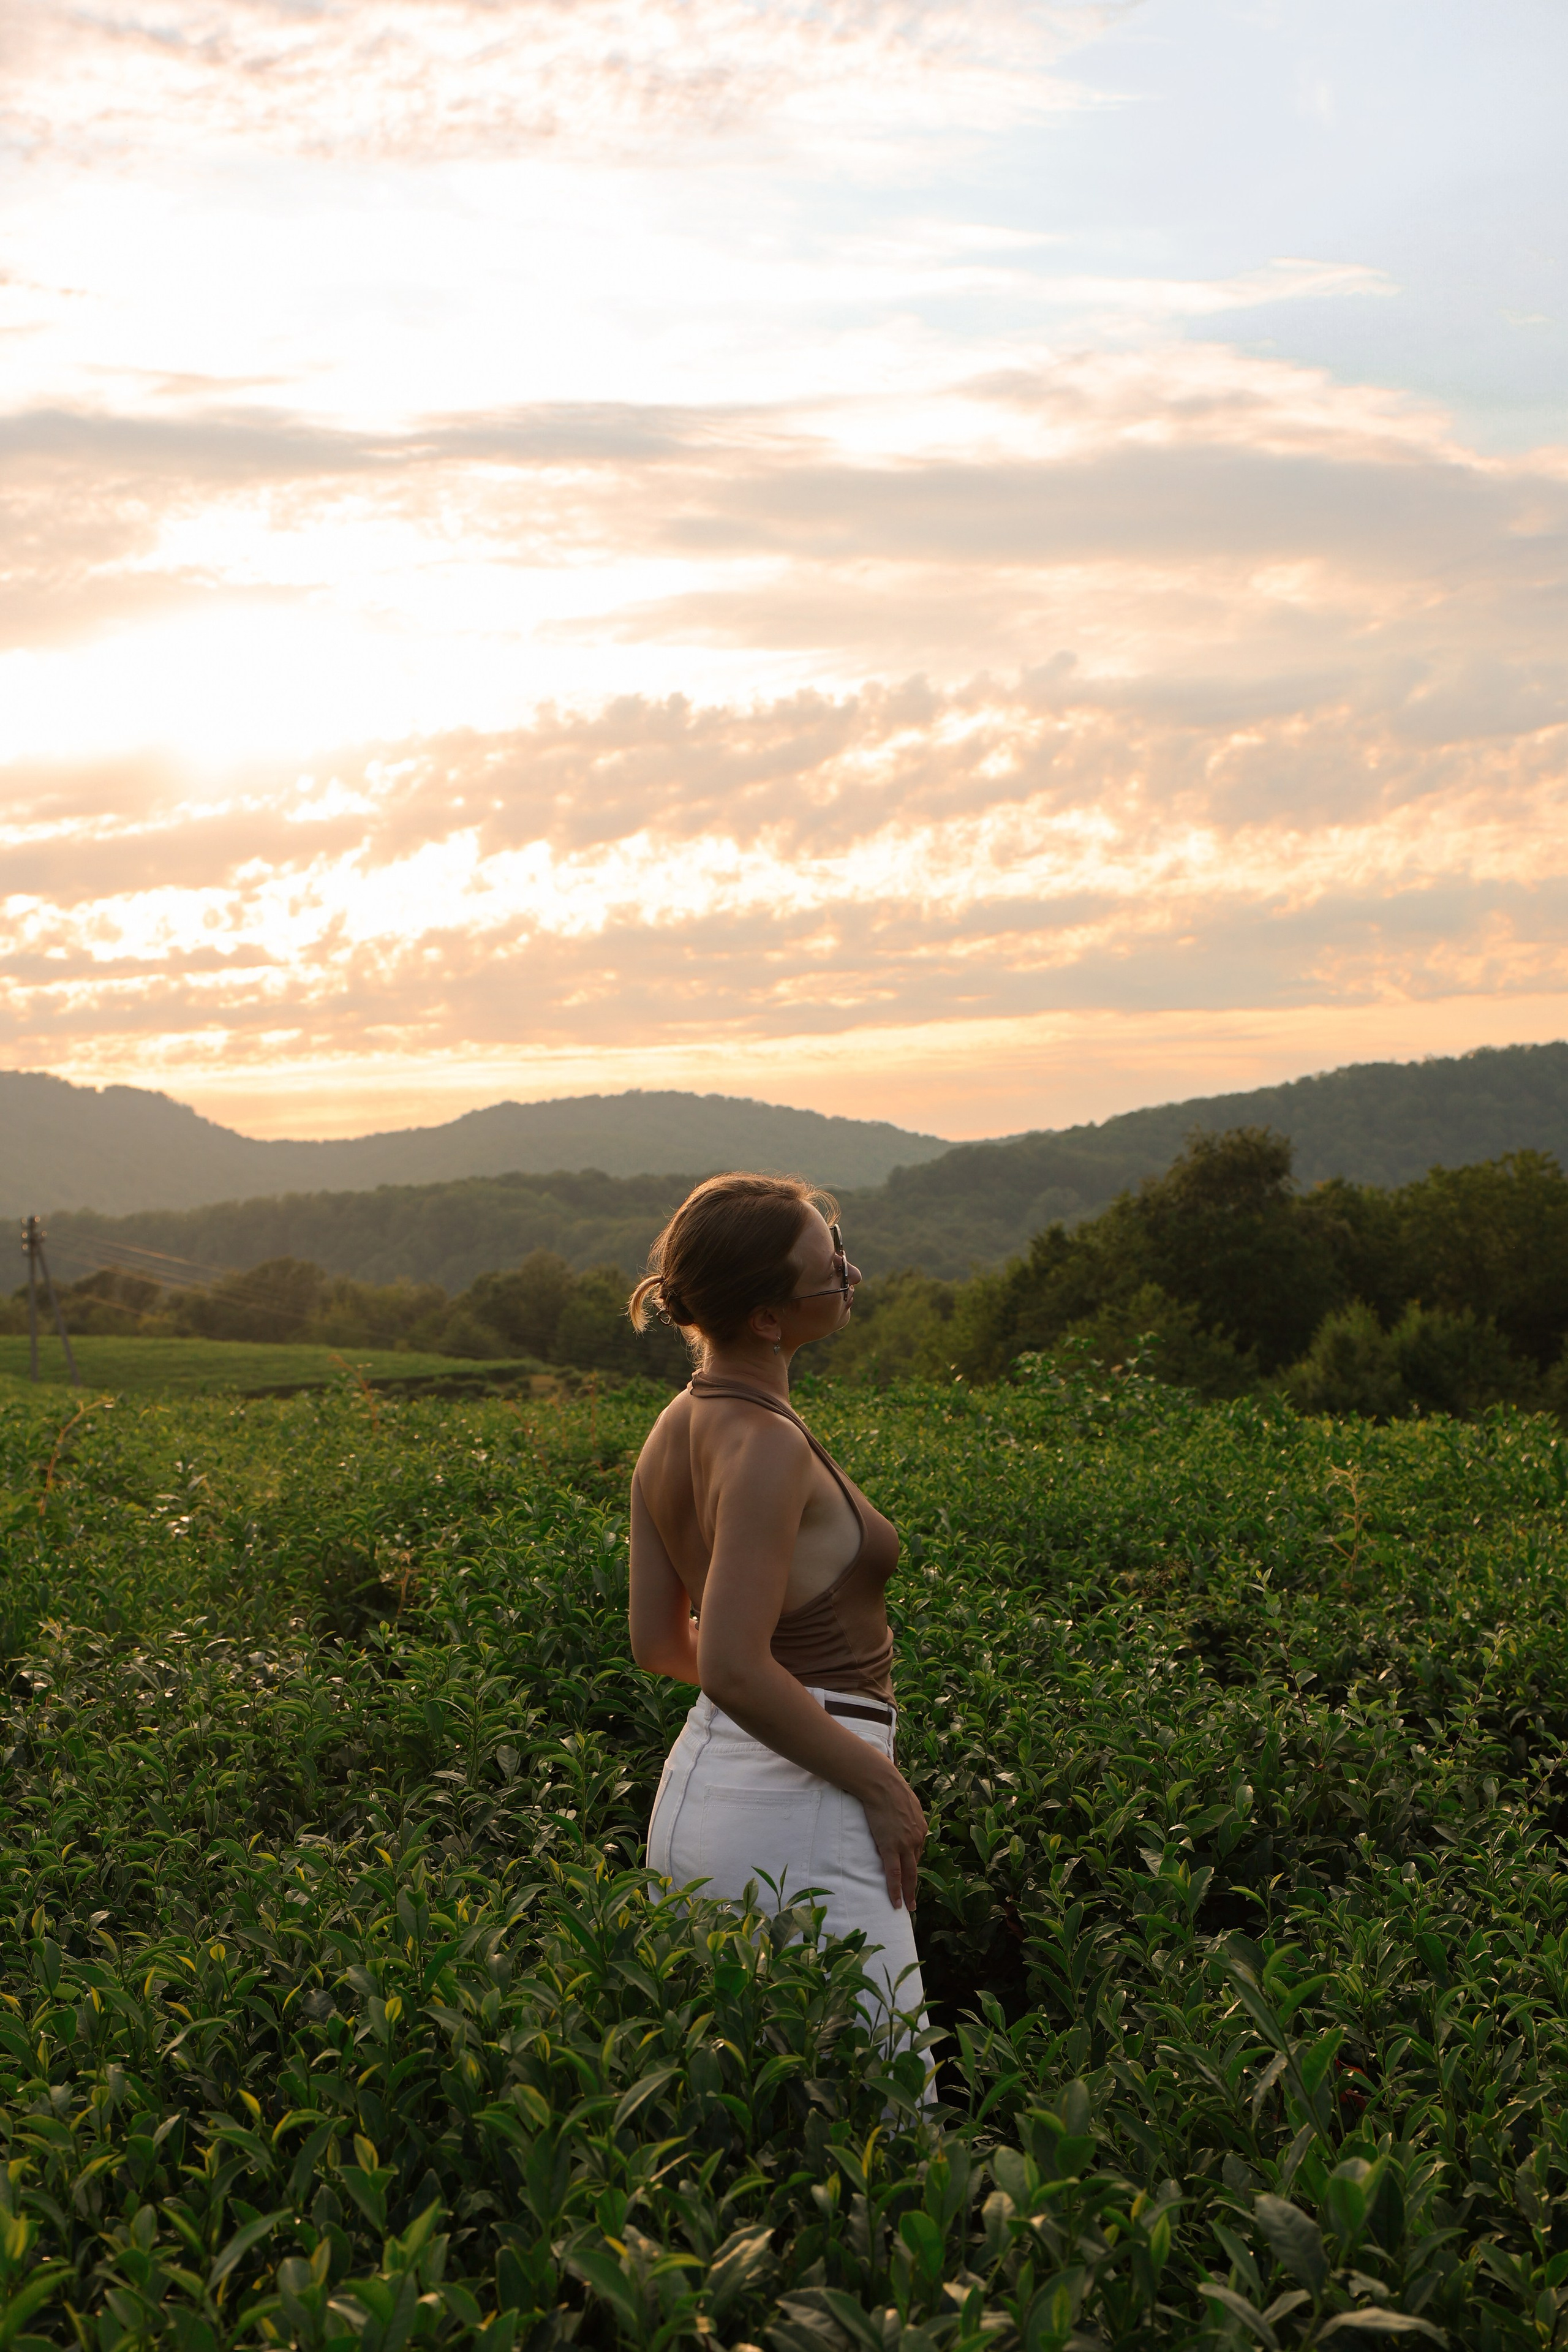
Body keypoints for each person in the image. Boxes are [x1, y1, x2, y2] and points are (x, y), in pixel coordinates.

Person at [627, 1172, 927, 2040]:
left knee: (749, 2117)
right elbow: (729, 1662)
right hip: (803, 1799)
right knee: (886, 2114)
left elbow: (658, 1643)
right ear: (767, 1318)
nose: (851, 1273)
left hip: (706, 1786)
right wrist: (879, 1783)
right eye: (830, 1265)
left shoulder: (674, 1424)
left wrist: (764, 1682)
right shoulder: (765, 1444)